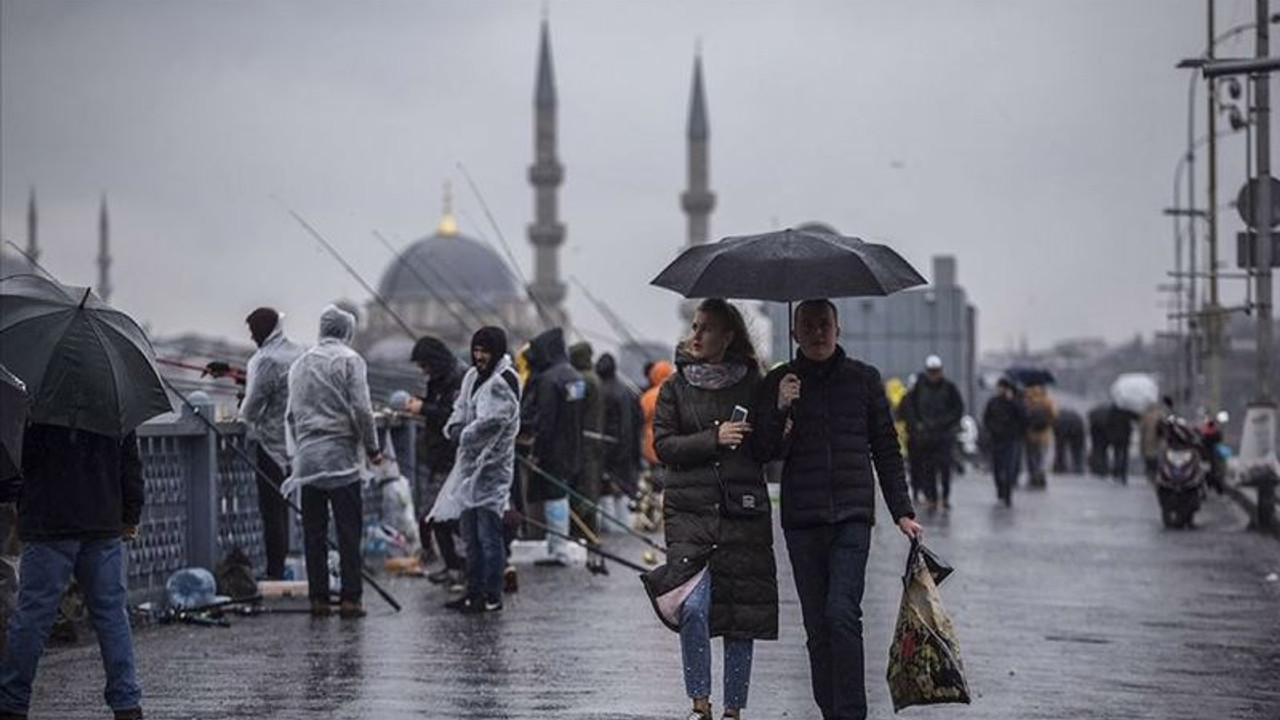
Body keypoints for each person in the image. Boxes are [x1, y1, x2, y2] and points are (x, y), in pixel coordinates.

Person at [758, 299, 922, 720]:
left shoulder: (864, 380)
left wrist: (901, 510)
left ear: (838, 328)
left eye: (824, 324)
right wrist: (780, 408)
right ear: (794, 334)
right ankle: (831, 711)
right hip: (802, 518)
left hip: (852, 515)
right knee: (817, 628)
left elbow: (886, 447)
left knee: (842, 614)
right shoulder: (781, 381)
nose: (817, 333)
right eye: (808, 326)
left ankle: (851, 714)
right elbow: (763, 451)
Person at [641, 298, 786, 720]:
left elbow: (765, 450)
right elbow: (664, 446)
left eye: (706, 328)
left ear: (729, 337)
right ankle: (699, 703)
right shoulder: (675, 387)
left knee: (740, 614)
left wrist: (781, 411)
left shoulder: (754, 387)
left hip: (741, 512)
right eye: (695, 326)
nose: (696, 335)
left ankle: (733, 709)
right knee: (694, 606)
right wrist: (713, 438)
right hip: (690, 512)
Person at [0, 424, 144, 720]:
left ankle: (12, 703)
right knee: (112, 616)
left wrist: (20, 500)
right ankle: (127, 704)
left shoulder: (36, 395)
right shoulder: (113, 392)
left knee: (32, 617)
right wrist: (130, 514)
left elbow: (15, 460)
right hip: (102, 521)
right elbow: (130, 462)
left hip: (47, 522)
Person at [283, 305, 382, 618]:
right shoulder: (351, 361)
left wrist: (300, 450)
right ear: (347, 331)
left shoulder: (300, 364)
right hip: (342, 460)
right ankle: (351, 598)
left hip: (309, 462)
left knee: (313, 533)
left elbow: (290, 415)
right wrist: (372, 447)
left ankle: (319, 599)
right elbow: (362, 411)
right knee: (348, 531)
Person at [442, 327, 521, 613]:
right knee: (470, 537)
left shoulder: (504, 381)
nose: (479, 357)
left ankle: (491, 594)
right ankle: (473, 592)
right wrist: (454, 426)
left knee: (489, 536)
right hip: (468, 469)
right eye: (476, 351)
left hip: (491, 471)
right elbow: (462, 408)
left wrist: (463, 433)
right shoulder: (472, 377)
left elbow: (492, 421)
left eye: (484, 351)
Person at [238, 306, 304, 580]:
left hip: (271, 446)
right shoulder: (297, 352)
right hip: (298, 444)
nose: (252, 337)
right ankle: (295, 564)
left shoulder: (265, 360)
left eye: (254, 332)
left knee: (272, 512)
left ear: (264, 330)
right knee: (295, 509)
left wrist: (242, 407)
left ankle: (275, 571)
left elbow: (252, 408)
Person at [518, 327, 584, 566]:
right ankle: (559, 545)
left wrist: (537, 453)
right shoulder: (573, 375)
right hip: (572, 445)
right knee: (562, 495)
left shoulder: (548, 380)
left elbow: (546, 422)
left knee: (554, 496)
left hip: (552, 449)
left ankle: (558, 549)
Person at [405, 336, 466, 589]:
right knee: (437, 515)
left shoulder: (457, 378)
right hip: (439, 456)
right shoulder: (440, 378)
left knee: (436, 514)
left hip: (452, 457)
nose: (422, 370)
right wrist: (421, 403)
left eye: (423, 364)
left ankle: (469, 561)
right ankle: (453, 566)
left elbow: (452, 416)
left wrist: (423, 409)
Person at [899, 355, 964, 511]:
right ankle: (931, 497)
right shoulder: (919, 389)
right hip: (926, 436)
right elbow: (909, 409)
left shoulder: (950, 388)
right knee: (928, 468)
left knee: (945, 468)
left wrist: (945, 423)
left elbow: (958, 409)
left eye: (936, 371)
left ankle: (945, 496)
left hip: (944, 435)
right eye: (931, 371)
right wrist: (917, 425)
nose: (933, 375)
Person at [596, 352, 643, 531]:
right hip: (627, 451)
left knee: (606, 493)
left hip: (608, 451)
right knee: (623, 494)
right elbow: (635, 422)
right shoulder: (627, 391)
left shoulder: (601, 391)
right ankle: (623, 531)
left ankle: (613, 531)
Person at [569, 341, 606, 545]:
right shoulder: (595, 378)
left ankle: (585, 531)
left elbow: (574, 409)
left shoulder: (583, 380)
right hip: (595, 438)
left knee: (584, 485)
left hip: (584, 440)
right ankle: (591, 529)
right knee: (591, 484)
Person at [982, 378, 1026, 506]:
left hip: (1010, 439)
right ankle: (1000, 490)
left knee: (1008, 468)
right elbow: (987, 418)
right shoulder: (993, 402)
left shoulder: (1014, 403)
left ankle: (1007, 494)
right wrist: (990, 430)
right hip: (996, 439)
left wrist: (1012, 401)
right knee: (997, 467)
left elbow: (1023, 417)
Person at [1022, 384, 1056, 487]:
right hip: (1044, 434)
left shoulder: (1027, 400)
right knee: (1041, 455)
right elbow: (1054, 414)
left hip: (1030, 433)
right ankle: (1041, 476)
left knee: (1031, 456)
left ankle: (1033, 477)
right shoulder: (1046, 401)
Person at [1051, 408, 1086, 475]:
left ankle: (1060, 468)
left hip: (1061, 424)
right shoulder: (1076, 416)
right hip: (1077, 424)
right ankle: (1078, 468)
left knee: (1060, 449)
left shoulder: (1056, 415)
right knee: (1077, 449)